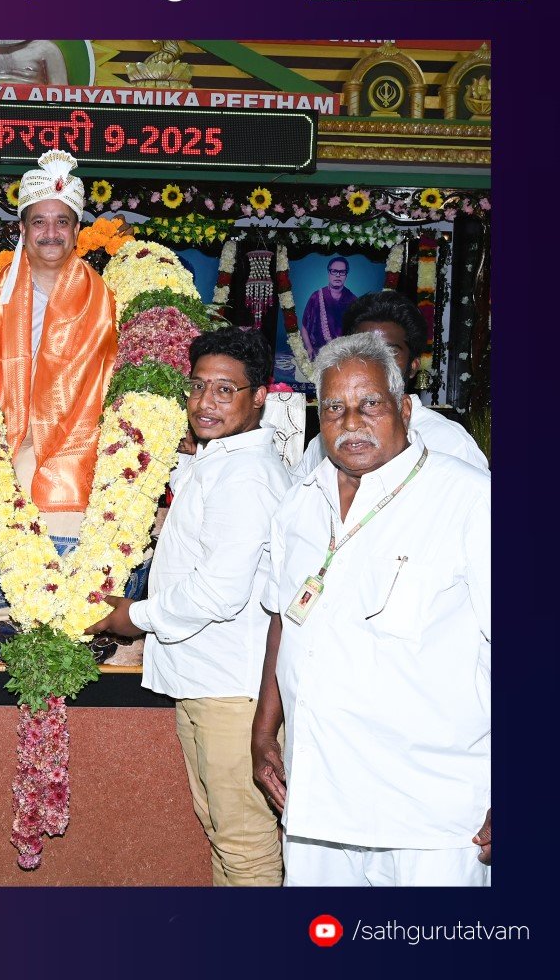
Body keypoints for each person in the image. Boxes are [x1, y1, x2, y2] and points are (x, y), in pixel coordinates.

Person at [251, 332, 491, 887]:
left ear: (405, 409)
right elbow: (283, 621)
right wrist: (264, 732)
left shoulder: (469, 499)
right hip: (318, 802)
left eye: (370, 404)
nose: (351, 421)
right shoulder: (299, 504)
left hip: (432, 811)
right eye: (334, 407)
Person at [86, 329, 289, 886]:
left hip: (233, 690)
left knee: (244, 846)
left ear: (259, 396)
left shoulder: (246, 474)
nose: (205, 403)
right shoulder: (217, 461)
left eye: (225, 390)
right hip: (208, 680)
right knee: (223, 835)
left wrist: (132, 617)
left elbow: (218, 592)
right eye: (197, 387)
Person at [0, 148, 119, 620]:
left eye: (62, 222)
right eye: (39, 222)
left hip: (79, 437)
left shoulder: (107, 296)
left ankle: (65, 620)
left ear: (77, 231)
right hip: (6, 434)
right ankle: (9, 613)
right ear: (22, 229)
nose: (51, 233)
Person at [291, 290, 487, 481]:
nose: (375, 362)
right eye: (363, 351)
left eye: (390, 352)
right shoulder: (326, 442)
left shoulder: (448, 442)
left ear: (413, 366)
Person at [299, 255, 357, 360]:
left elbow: (357, 331)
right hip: (318, 354)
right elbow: (304, 327)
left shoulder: (353, 300)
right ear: (329, 273)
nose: (338, 275)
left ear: (346, 275)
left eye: (342, 272)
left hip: (344, 356)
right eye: (334, 271)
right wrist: (309, 348)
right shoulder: (316, 297)